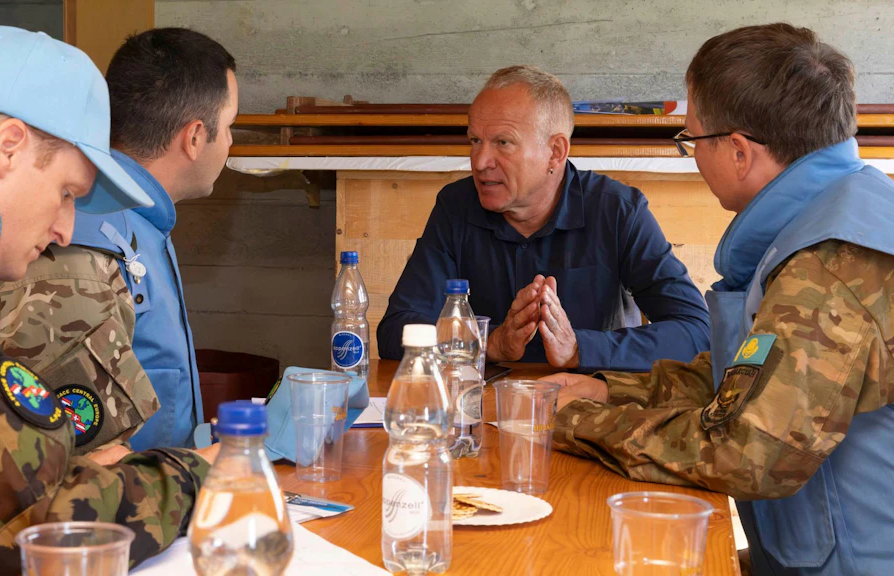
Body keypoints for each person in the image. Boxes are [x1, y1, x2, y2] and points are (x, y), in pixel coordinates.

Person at [546, 24, 894, 575]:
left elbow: (748, 451)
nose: (692, 158)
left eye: (692, 141)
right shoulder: (830, 221)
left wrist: (573, 422)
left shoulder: (832, 265)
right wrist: (605, 389)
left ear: (737, 151)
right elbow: (743, 380)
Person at [0, 27, 217, 576]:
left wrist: (54, 462)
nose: (64, 229)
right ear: (8, 147)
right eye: (66, 193)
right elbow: (25, 533)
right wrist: (197, 474)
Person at [0, 28, 238, 455]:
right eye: (231, 126)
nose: (232, 143)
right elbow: (74, 462)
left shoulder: (142, 226)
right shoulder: (80, 250)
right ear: (196, 136)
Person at [376, 66, 711, 372]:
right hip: (485, 409)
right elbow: (395, 331)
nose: (479, 162)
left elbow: (698, 332)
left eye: (502, 143)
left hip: (590, 408)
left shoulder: (618, 211)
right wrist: (491, 343)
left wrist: (580, 348)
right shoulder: (455, 207)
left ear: (555, 152)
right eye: (475, 141)